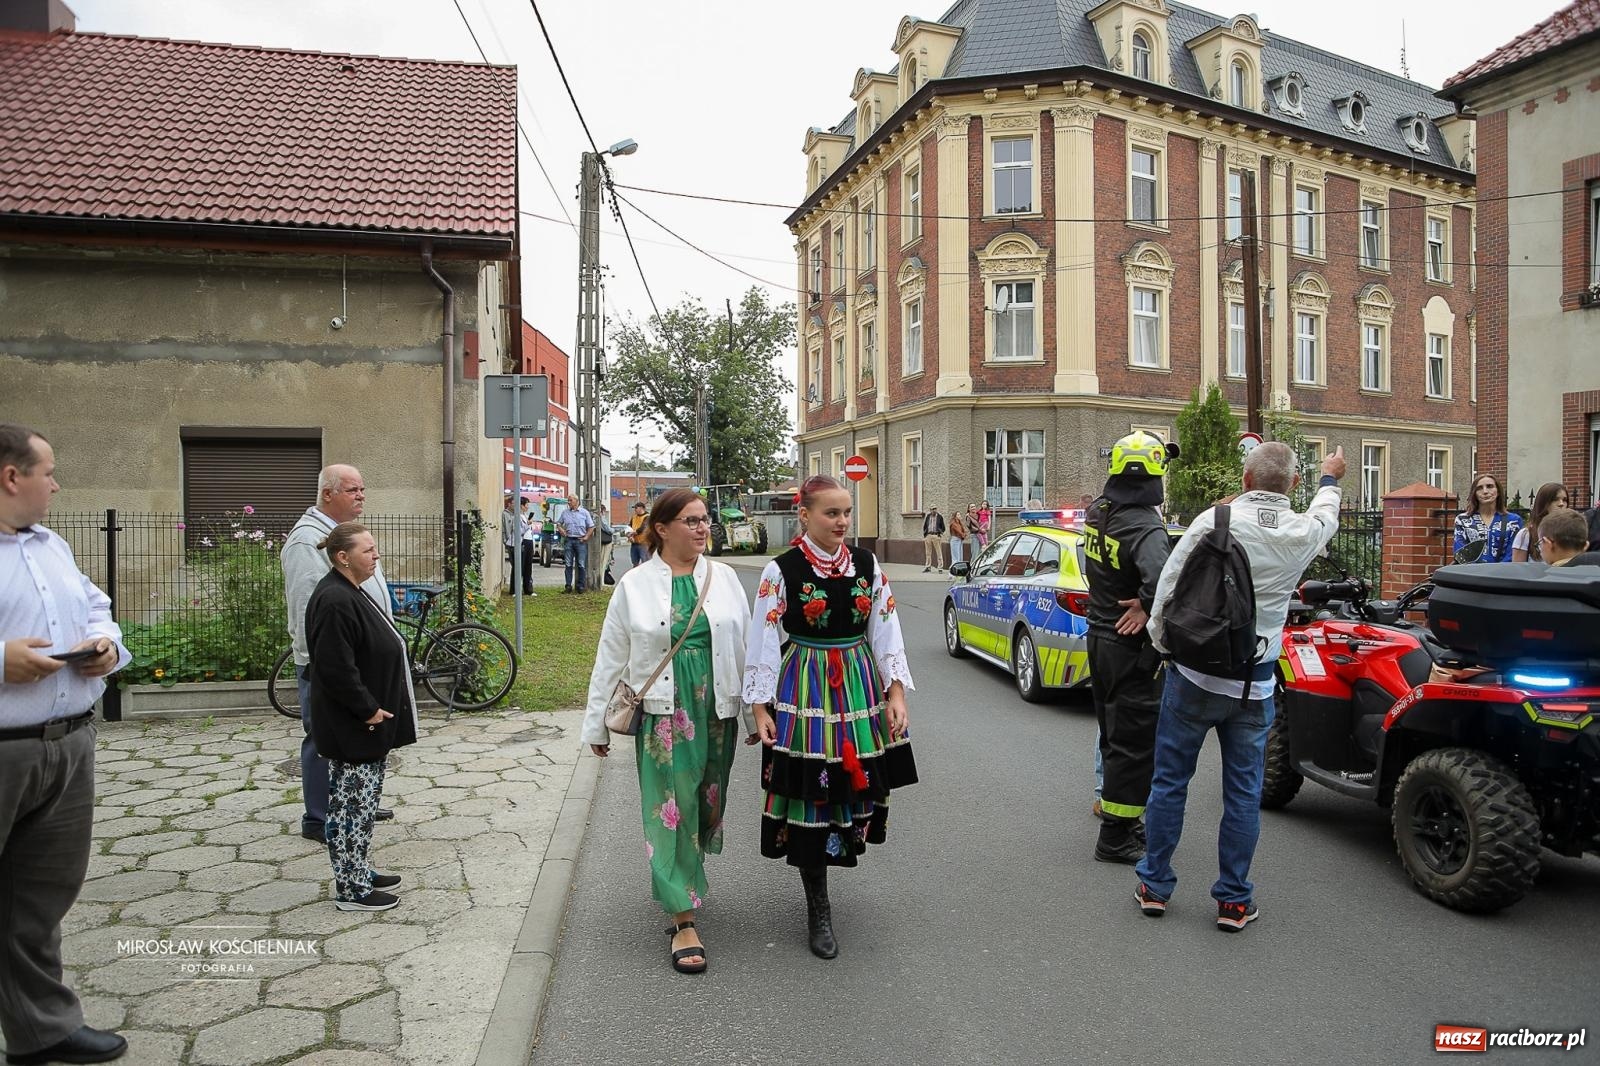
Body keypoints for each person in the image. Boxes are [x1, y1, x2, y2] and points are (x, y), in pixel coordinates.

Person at [1137, 442, 1345, 932]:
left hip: (1194, 676)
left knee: (1170, 783)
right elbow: (1326, 516)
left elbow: (1168, 588)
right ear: (1293, 484)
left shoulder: (1214, 521)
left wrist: (1164, 647)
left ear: (1246, 480)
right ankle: (1233, 899)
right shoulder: (1302, 531)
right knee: (1243, 794)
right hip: (1255, 684)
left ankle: (1155, 886)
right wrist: (1330, 479)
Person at [744, 475, 919, 959]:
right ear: (805, 515)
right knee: (811, 791)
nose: (842, 521)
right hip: (804, 684)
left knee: (849, 784)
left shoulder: (867, 564)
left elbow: (885, 628)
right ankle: (817, 906)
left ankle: (836, 860)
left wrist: (896, 692)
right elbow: (763, 639)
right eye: (832, 513)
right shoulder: (781, 570)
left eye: (846, 512)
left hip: (857, 682)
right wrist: (759, 706)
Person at [0, 425, 131, 1066]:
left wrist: (107, 645)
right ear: (11, 477)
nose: (56, 486)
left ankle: (41, 1030)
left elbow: (96, 608)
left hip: (67, 745)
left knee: (39, 897)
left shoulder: (52, 545)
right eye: (48, 472)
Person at [581, 488, 754, 974]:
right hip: (664, 714)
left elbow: (744, 648)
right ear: (661, 528)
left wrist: (754, 713)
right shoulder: (634, 586)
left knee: (705, 803)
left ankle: (686, 876)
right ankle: (682, 918)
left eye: (705, 520)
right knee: (672, 809)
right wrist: (596, 723)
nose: (703, 528)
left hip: (716, 707)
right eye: (691, 521)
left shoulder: (724, 579)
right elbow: (610, 658)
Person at [304, 522, 418, 912]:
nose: (376, 555)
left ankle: (359, 870)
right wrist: (367, 708)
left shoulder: (349, 589)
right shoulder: (334, 599)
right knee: (351, 807)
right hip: (354, 725)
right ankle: (352, 890)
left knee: (363, 804)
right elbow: (335, 667)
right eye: (367, 550)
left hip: (366, 723)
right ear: (343, 557)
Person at [281, 464, 395, 844]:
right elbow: (305, 607)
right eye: (351, 489)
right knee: (324, 736)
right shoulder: (306, 541)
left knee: (354, 734)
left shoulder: (345, 533)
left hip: (356, 658)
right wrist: (321, 662)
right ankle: (318, 816)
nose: (361, 495)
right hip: (324, 663)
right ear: (328, 494)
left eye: (362, 489)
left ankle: (354, 803)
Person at [1083, 431, 1175, 864]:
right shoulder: (1145, 525)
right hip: (1129, 644)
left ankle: (1118, 814)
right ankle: (1116, 837)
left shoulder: (1099, 512)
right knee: (1134, 743)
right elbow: (1164, 582)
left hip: (1099, 636)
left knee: (1112, 733)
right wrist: (1146, 603)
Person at [1453, 472, 1521, 563]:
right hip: (1472, 571)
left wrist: (1495, 570)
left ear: (1498, 491)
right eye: (1479, 488)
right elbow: (1460, 553)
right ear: (1474, 493)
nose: (1485, 491)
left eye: (1490, 486)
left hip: (1504, 571)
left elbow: (1513, 553)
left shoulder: (1513, 521)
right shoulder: (1463, 520)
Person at [1511, 483, 1568, 562]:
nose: (1561, 504)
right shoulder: (1526, 535)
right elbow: (1518, 568)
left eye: (1564, 500)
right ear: (1543, 503)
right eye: (1555, 500)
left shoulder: (1571, 532)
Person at [557, 494, 594, 592]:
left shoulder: (584, 513)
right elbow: (559, 523)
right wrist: (561, 530)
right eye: (568, 500)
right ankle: (568, 586)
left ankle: (580, 586)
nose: (568, 502)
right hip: (569, 540)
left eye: (570, 500)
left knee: (581, 564)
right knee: (568, 563)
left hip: (580, 541)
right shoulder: (565, 513)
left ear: (577, 501)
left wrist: (586, 537)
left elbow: (591, 526)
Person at [518, 497, 538, 596]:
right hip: (523, 541)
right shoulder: (518, 517)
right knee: (521, 565)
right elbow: (520, 531)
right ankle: (517, 589)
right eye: (526, 505)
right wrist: (527, 524)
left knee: (528, 566)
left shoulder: (525, 516)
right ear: (521, 505)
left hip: (529, 540)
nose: (527, 507)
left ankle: (528, 588)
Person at [921, 505, 945, 572]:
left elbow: (943, 527)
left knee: (939, 552)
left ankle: (940, 567)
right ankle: (928, 567)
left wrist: (940, 533)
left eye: (935, 509)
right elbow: (925, 526)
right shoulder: (928, 516)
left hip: (936, 535)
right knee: (928, 552)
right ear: (930, 510)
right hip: (928, 535)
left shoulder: (940, 517)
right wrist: (925, 535)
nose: (934, 510)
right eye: (933, 509)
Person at [628, 501, 650, 568]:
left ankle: (646, 574)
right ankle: (636, 573)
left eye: (636, 508)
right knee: (634, 562)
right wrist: (629, 535)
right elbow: (629, 527)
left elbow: (643, 528)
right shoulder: (634, 517)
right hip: (634, 543)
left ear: (641, 508)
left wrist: (633, 533)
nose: (635, 510)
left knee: (645, 562)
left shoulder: (647, 517)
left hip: (644, 543)